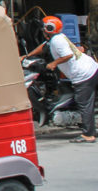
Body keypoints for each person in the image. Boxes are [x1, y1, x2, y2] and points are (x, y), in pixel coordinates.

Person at [23, 16, 97, 144]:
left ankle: (88, 134)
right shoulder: (56, 38)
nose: (42, 30)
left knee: (83, 103)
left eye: (44, 27)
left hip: (83, 75)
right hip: (90, 68)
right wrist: (27, 55)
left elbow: (67, 55)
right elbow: (43, 47)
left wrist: (54, 63)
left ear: (49, 29)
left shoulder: (57, 41)